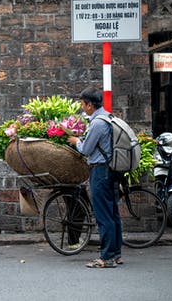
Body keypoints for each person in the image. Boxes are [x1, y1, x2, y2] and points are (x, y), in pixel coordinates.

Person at [67, 87, 123, 268]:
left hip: (101, 171)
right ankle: (115, 254)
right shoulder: (108, 116)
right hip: (112, 169)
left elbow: (86, 149)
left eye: (82, 104)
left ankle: (106, 258)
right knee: (113, 214)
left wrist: (76, 141)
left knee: (103, 215)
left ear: (90, 105)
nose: (82, 107)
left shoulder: (98, 123)